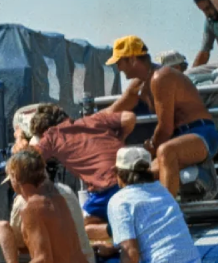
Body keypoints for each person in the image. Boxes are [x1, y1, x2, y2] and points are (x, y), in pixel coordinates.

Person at [105, 35, 218, 197]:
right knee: (139, 176)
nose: (118, 68)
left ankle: (168, 208)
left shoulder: (161, 77)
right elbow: (111, 111)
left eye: (119, 62)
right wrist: (81, 125)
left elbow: (165, 129)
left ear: (132, 60)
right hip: (177, 139)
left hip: (200, 133)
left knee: (166, 151)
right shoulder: (138, 85)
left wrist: (150, 148)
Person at [12, 103, 137, 240]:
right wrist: (121, 138)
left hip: (109, 186)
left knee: (83, 229)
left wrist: (19, 137)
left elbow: (26, 159)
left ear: (43, 131)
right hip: (135, 177)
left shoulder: (52, 136)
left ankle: (126, 227)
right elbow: (129, 117)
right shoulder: (93, 119)